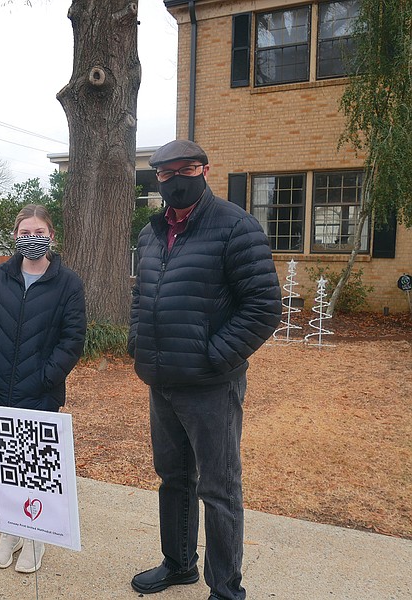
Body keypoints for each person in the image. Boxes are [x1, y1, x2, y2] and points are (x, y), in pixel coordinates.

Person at [128, 140, 282, 599]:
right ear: (156, 178)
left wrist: (214, 356)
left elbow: (263, 307)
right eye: (165, 172)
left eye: (186, 168)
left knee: (219, 490)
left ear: (205, 170)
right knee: (173, 479)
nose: (175, 178)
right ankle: (178, 564)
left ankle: (226, 588)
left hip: (212, 387)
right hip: (163, 381)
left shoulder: (236, 227)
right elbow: (141, 296)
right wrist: (139, 344)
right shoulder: (151, 233)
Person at [0, 204, 86, 574]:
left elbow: (72, 340)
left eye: (39, 233)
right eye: (24, 233)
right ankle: (9, 533)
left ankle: (35, 538)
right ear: (15, 236)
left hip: (40, 394)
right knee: (3, 467)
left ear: (51, 236)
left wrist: (46, 378)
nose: (32, 239)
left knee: (35, 470)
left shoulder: (68, 283)